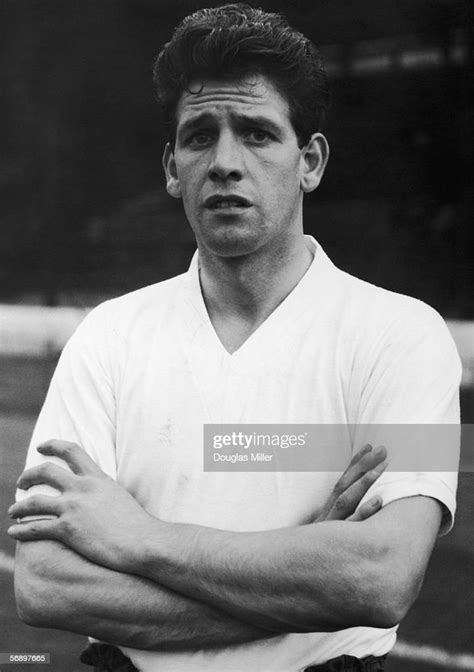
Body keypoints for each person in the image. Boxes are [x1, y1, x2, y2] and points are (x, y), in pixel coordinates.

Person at [8, 4, 461, 672]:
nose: (224, 161)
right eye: (199, 136)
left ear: (309, 160)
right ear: (171, 166)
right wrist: (304, 578)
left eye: (255, 133)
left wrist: (138, 539)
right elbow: (45, 585)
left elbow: (381, 578)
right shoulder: (106, 338)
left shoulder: (408, 335)